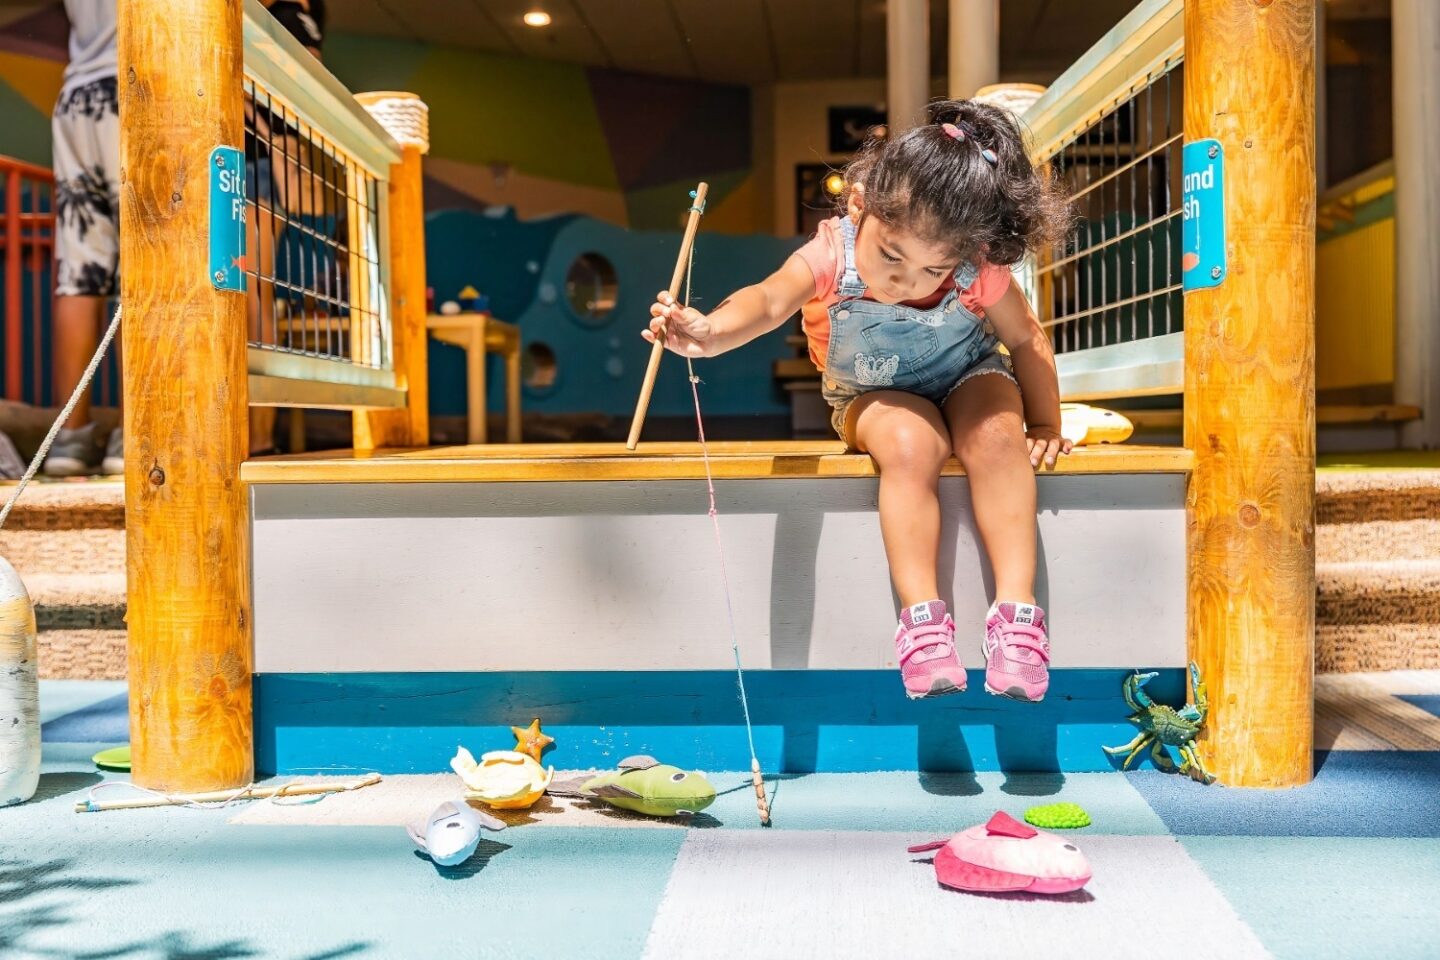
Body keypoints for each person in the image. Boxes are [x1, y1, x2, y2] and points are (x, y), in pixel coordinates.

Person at [646, 100, 1071, 703]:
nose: (905, 281)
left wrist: (1046, 419)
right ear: (860, 205)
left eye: (933, 270)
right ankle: (923, 621)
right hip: (872, 390)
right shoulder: (832, 253)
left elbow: (1026, 336)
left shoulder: (978, 268)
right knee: (910, 443)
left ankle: (1016, 614)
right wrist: (710, 332)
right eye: (892, 255)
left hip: (969, 371)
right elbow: (768, 301)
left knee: (1000, 433)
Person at [42, 0, 120, 476]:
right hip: (138, 84)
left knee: (78, 270)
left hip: (76, 94)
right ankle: (138, 433)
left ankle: (70, 438)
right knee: (149, 263)